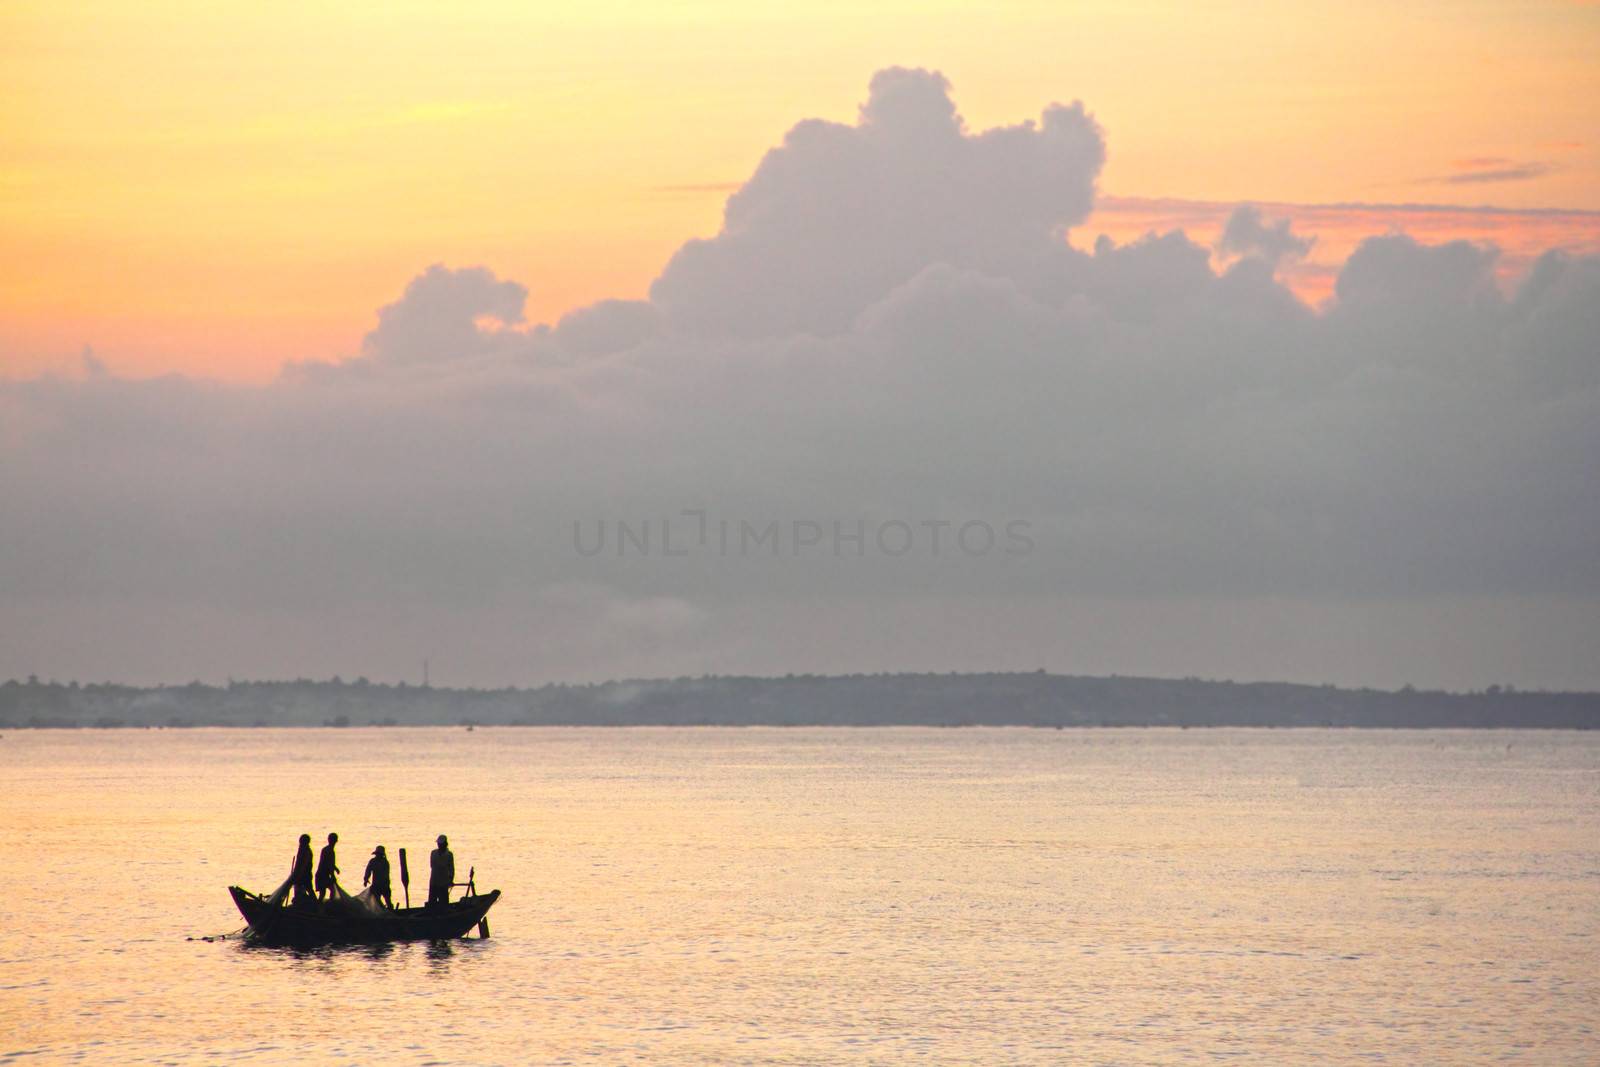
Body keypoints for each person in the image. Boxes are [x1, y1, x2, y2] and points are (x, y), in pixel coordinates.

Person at [428, 834, 455, 906]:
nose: (439, 845)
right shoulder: (433, 853)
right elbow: (432, 865)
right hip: (434, 881)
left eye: (440, 844)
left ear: (445, 844)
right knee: (432, 902)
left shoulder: (449, 855)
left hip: (443, 883)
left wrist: (450, 880)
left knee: (443, 903)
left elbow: (451, 869)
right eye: (438, 844)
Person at [364, 845, 393, 909]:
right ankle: (385, 910)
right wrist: (366, 879)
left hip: (382, 885)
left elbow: (368, 870)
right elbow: (368, 870)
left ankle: (387, 910)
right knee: (378, 900)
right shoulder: (379, 861)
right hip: (379, 885)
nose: (377, 855)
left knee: (386, 900)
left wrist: (366, 879)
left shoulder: (384, 862)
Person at [289, 833, 315, 905]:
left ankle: (315, 904)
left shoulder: (307, 851)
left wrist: (299, 874)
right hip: (301, 874)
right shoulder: (302, 849)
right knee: (299, 890)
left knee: (308, 889)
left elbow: (304, 864)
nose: (300, 843)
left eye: (301, 841)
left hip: (305, 875)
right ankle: (298, 904)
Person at [315, 832, 340, 900]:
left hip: (322, 874)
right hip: (322, 875)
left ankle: (323, 906)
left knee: (325, 892)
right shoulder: (329, 850)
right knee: (329, 890)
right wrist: (333, 875)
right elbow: (328, 864)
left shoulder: (326, 849)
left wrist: (335, 868)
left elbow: (328, 862)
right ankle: (327, 906)